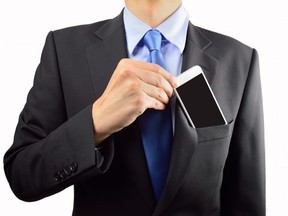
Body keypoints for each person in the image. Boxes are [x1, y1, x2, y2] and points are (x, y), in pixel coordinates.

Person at [3, 0, 265, 215]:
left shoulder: (239, 60)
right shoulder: (64, 49)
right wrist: (95, 122)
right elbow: (22, 175)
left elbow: (246, 200)